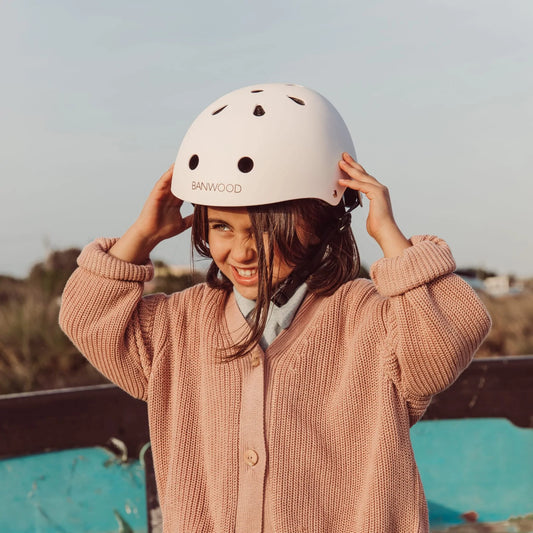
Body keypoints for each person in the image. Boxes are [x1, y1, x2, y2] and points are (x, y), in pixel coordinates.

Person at [59, 83, 491, 533]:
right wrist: (141, 236)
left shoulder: (371, 319)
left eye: (265, 230)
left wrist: (387, 234)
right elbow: (87, 317)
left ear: (321, 221)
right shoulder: (177, 326)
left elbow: (450, 335)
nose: (242, 252)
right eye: (222, 226)